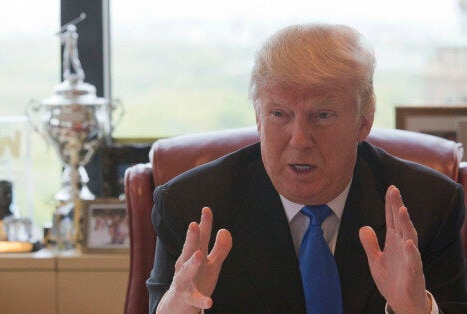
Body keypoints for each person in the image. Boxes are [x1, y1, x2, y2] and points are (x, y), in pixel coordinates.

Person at [147, 24, 467, 313]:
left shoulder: (428, 205)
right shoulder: (189, 205)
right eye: (279, 114)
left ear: (364, 122)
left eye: (323, 115)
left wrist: (415, 309)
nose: (300, 140)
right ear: (258, 119)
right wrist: (180, 309)